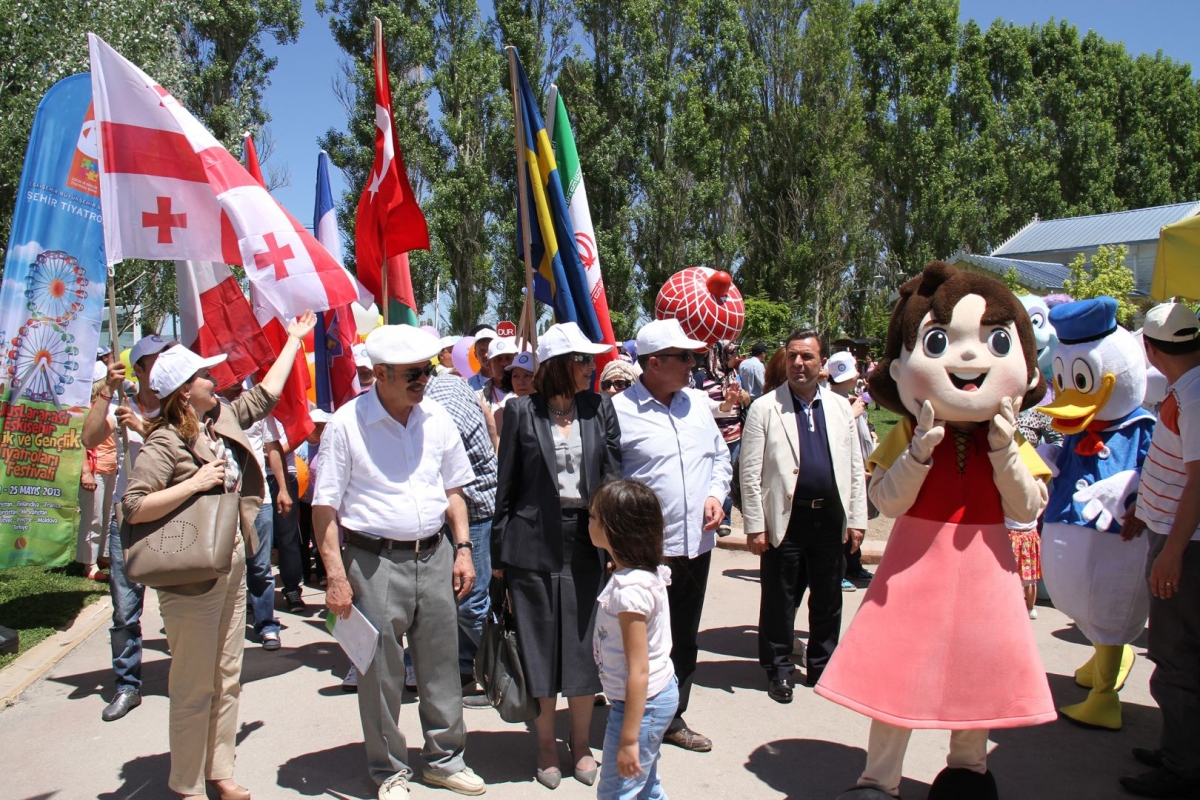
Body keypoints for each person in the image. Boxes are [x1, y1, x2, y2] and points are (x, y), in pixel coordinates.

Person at [816, 262, 1053, 800]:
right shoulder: (908, 430)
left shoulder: (1009, 436)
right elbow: (887, 500)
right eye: (940, 341)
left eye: (996, 342)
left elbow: (1026, 506)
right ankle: (879, 779)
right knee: (897, 676)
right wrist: (919, 451)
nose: (968, 358)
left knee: (979, 680)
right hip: (914, 570)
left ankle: (968, 772)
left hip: (986, 572)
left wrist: (1003, 451)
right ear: (900, 367)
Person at [121, 311, 314, 800]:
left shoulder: (218, 418)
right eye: (205, 375)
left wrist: (293, 341)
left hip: (230, 563)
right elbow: (134, 506)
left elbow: (264, 395)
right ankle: (186, 784)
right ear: (185, 392)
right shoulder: (165, 441)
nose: (215, 379)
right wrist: (195, 483)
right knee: (193, 684)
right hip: (190, 577)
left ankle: (219, 772)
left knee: (228, 677)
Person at [312, 324, 485, 800]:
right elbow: (324, 509)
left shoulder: (437, 418)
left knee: (441, 666)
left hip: (435, 554)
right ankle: (388, 768)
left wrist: (463, 549)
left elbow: (454, 490)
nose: (424, 380)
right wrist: (335, 576)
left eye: (427, 370)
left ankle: (445, 760)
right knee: (381, 674)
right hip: (373, 563)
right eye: (413, 373)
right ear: (381, 373)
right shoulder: (347, 424)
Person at [492, 321, 621, 788]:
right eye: (583, 360)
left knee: (585, 648)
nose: (591, 367)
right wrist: (497, 559)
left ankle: (581, 744)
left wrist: (618, 545)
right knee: (541, 648)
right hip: (532, 546)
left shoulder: (600, 407)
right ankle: (546, 745)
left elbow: (613, 477)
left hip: (587, 542)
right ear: (560, 365)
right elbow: (507, 486)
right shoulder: (521, 411)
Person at [610, 318, 733, 753]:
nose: (691, 363)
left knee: (683, 635)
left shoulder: (697, 404)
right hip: (644, 552)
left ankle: (672, 716)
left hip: (695, 544)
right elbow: (608, 482)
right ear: (654, 363)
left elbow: (720, 457)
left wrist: (716, 493)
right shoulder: (617, 411)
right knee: (641, 639)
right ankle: (630, 715)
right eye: (683, 356)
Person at [740, 332, 868, 705]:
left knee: (828, 597)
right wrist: (755, 525)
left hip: (829, 517)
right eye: (793, 355)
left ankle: (822, 666)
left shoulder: (840, 407)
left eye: (807, 356)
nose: (799, 363)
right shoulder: (765, 408)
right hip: (785, 518)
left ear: (822, 363)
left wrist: (857, 518)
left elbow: (854, 467)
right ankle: (779, 669)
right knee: (779, 597)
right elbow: (749, 472)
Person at [1119, 302, 1200, 798]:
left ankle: (1182, 767)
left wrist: (1172, 552)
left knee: (1176, 655)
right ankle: (1180, 747)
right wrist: (1142, 509)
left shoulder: (1194, 396)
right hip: (1172, 534)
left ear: (1149, 349)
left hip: (1185, 546)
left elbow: (1198, 482)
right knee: (1177, 653)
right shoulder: (1185, 389)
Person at [83, 333, 174, 722]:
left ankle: (188, 678)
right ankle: (126, 685)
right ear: (138, 369)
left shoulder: (178, 407)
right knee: (124, 610)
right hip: (129, 518)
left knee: (179, 606)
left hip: (172, 517)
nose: (165, 364)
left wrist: (143, 426)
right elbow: (88, 437)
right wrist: (107, 390)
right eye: (156, 359)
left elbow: (188, 446)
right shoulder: (122, 405)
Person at [589, 479, 678, 800]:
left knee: (616, 792)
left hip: (642, 705)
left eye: (594, 517)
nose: (589, 522)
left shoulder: (630, 592)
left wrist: (629, 739)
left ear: (615, 529)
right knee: (645, 785)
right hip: (650, 699)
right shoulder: (639, 574)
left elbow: (638, 670)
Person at [424, 370, 499, 707]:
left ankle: (508, 677)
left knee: (470, 602)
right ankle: (466, 668)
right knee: (461, 599)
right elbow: (487, 418)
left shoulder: (439, 405)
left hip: (474, 510)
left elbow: (439, 470)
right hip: (472, 506)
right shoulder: (451, 383)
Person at [218, 380, 281, 651]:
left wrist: (283, 489)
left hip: (259, 500)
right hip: (223, 501)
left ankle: (267, 625)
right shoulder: (211, 409)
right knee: (224, 567)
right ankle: (223, 630)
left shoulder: (257, 408)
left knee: (260, 567)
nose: (236, 381)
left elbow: (272, 447)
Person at [825, 351, 876, 586]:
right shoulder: (832, 402)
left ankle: (854, 565)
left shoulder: (849, 399)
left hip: (858, 466)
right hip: (842, 471)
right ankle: (840, 571)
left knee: (857, 517)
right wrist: (851, 414)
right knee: (843, 522)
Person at [698, 340, 750, 537]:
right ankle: (719, 516)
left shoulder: (734, 375)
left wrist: (744, 397)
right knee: (714, 477)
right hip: (713, 438)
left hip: (734, 435)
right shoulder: (702, 378)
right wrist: (726, 402)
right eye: (731, 354)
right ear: (720, 356)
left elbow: (746, 402)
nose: (735, 358)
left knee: (729, 477)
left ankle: (726, 516)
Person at [78, 361, 117, 581]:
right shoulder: (87, 409)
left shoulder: (109, 406)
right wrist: (85, 471)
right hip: (95, 468)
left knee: (107, 515)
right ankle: (89, 562)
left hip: (111, 467)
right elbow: (79, 443)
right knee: (93, 517)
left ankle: (102, 555)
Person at [467, 326, 498, 391]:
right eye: (482, 351)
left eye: (490, 349)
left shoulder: (511, 381)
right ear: (476, 355)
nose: (486, 355)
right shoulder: (468, 385)